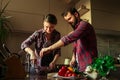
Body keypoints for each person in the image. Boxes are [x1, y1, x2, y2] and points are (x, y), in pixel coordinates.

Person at [40, 7, 98, 72]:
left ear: (76, 14)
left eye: (69, 18)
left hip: (90, 65)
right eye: (67, 20)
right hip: (80, 66)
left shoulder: (84, 25)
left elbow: (68, 39)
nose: (69, 22)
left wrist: (49, 48)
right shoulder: (76, 30)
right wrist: (73, 58)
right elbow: (76, 46)